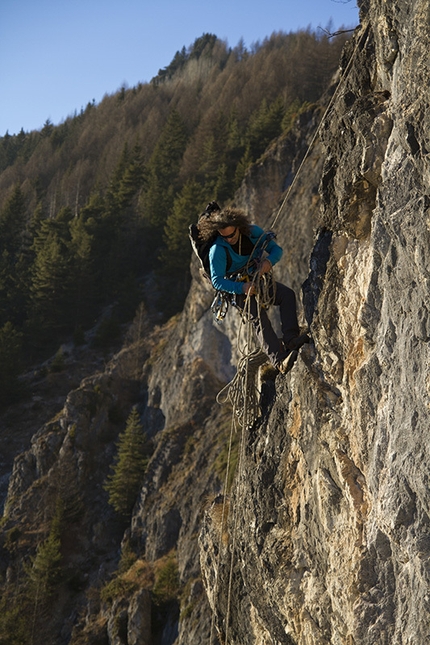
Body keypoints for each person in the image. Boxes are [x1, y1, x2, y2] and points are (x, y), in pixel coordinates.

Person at [197, 205, 309, 373]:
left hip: (257, 280)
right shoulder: (217, 251)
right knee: (258, 318)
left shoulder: (252, 232)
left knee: (287, 295)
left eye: (232, 235)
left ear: (238, 227)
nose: (229, 239)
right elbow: (217, 281)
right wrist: (242, 287)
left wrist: (268, 262)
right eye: (224, 236)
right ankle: (279, 361)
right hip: (238, 288)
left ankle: (291, 339)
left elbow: (276, 250)